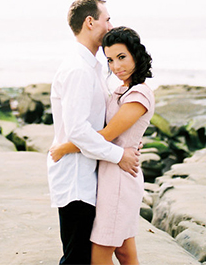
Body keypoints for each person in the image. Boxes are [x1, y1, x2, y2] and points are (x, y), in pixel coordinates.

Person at [50, 26, 154, 265]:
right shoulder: (120, 91)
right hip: (110, 174)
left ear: (136, 55)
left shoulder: (139, 94)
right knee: (126, 253)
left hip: (119, 178)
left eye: (122, 57)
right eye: (110, 60)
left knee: (100, 255)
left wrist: (65, 147)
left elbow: (107, 134)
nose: (116, 66)